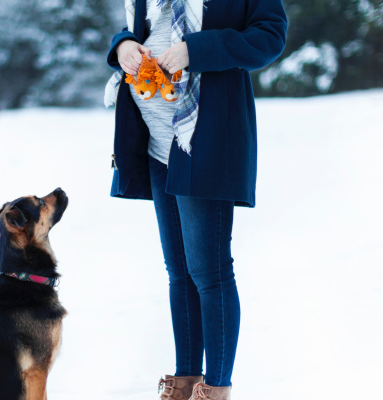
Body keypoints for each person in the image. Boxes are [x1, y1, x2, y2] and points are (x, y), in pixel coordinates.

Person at [105, 1, 287, 399]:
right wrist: (123, 47)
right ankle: (185, 382)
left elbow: (270, 37)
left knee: (210, 272)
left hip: (203, 138)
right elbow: (143, 28)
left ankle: (215, 389)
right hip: (154, 141)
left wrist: (196, 49)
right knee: (179, 271)